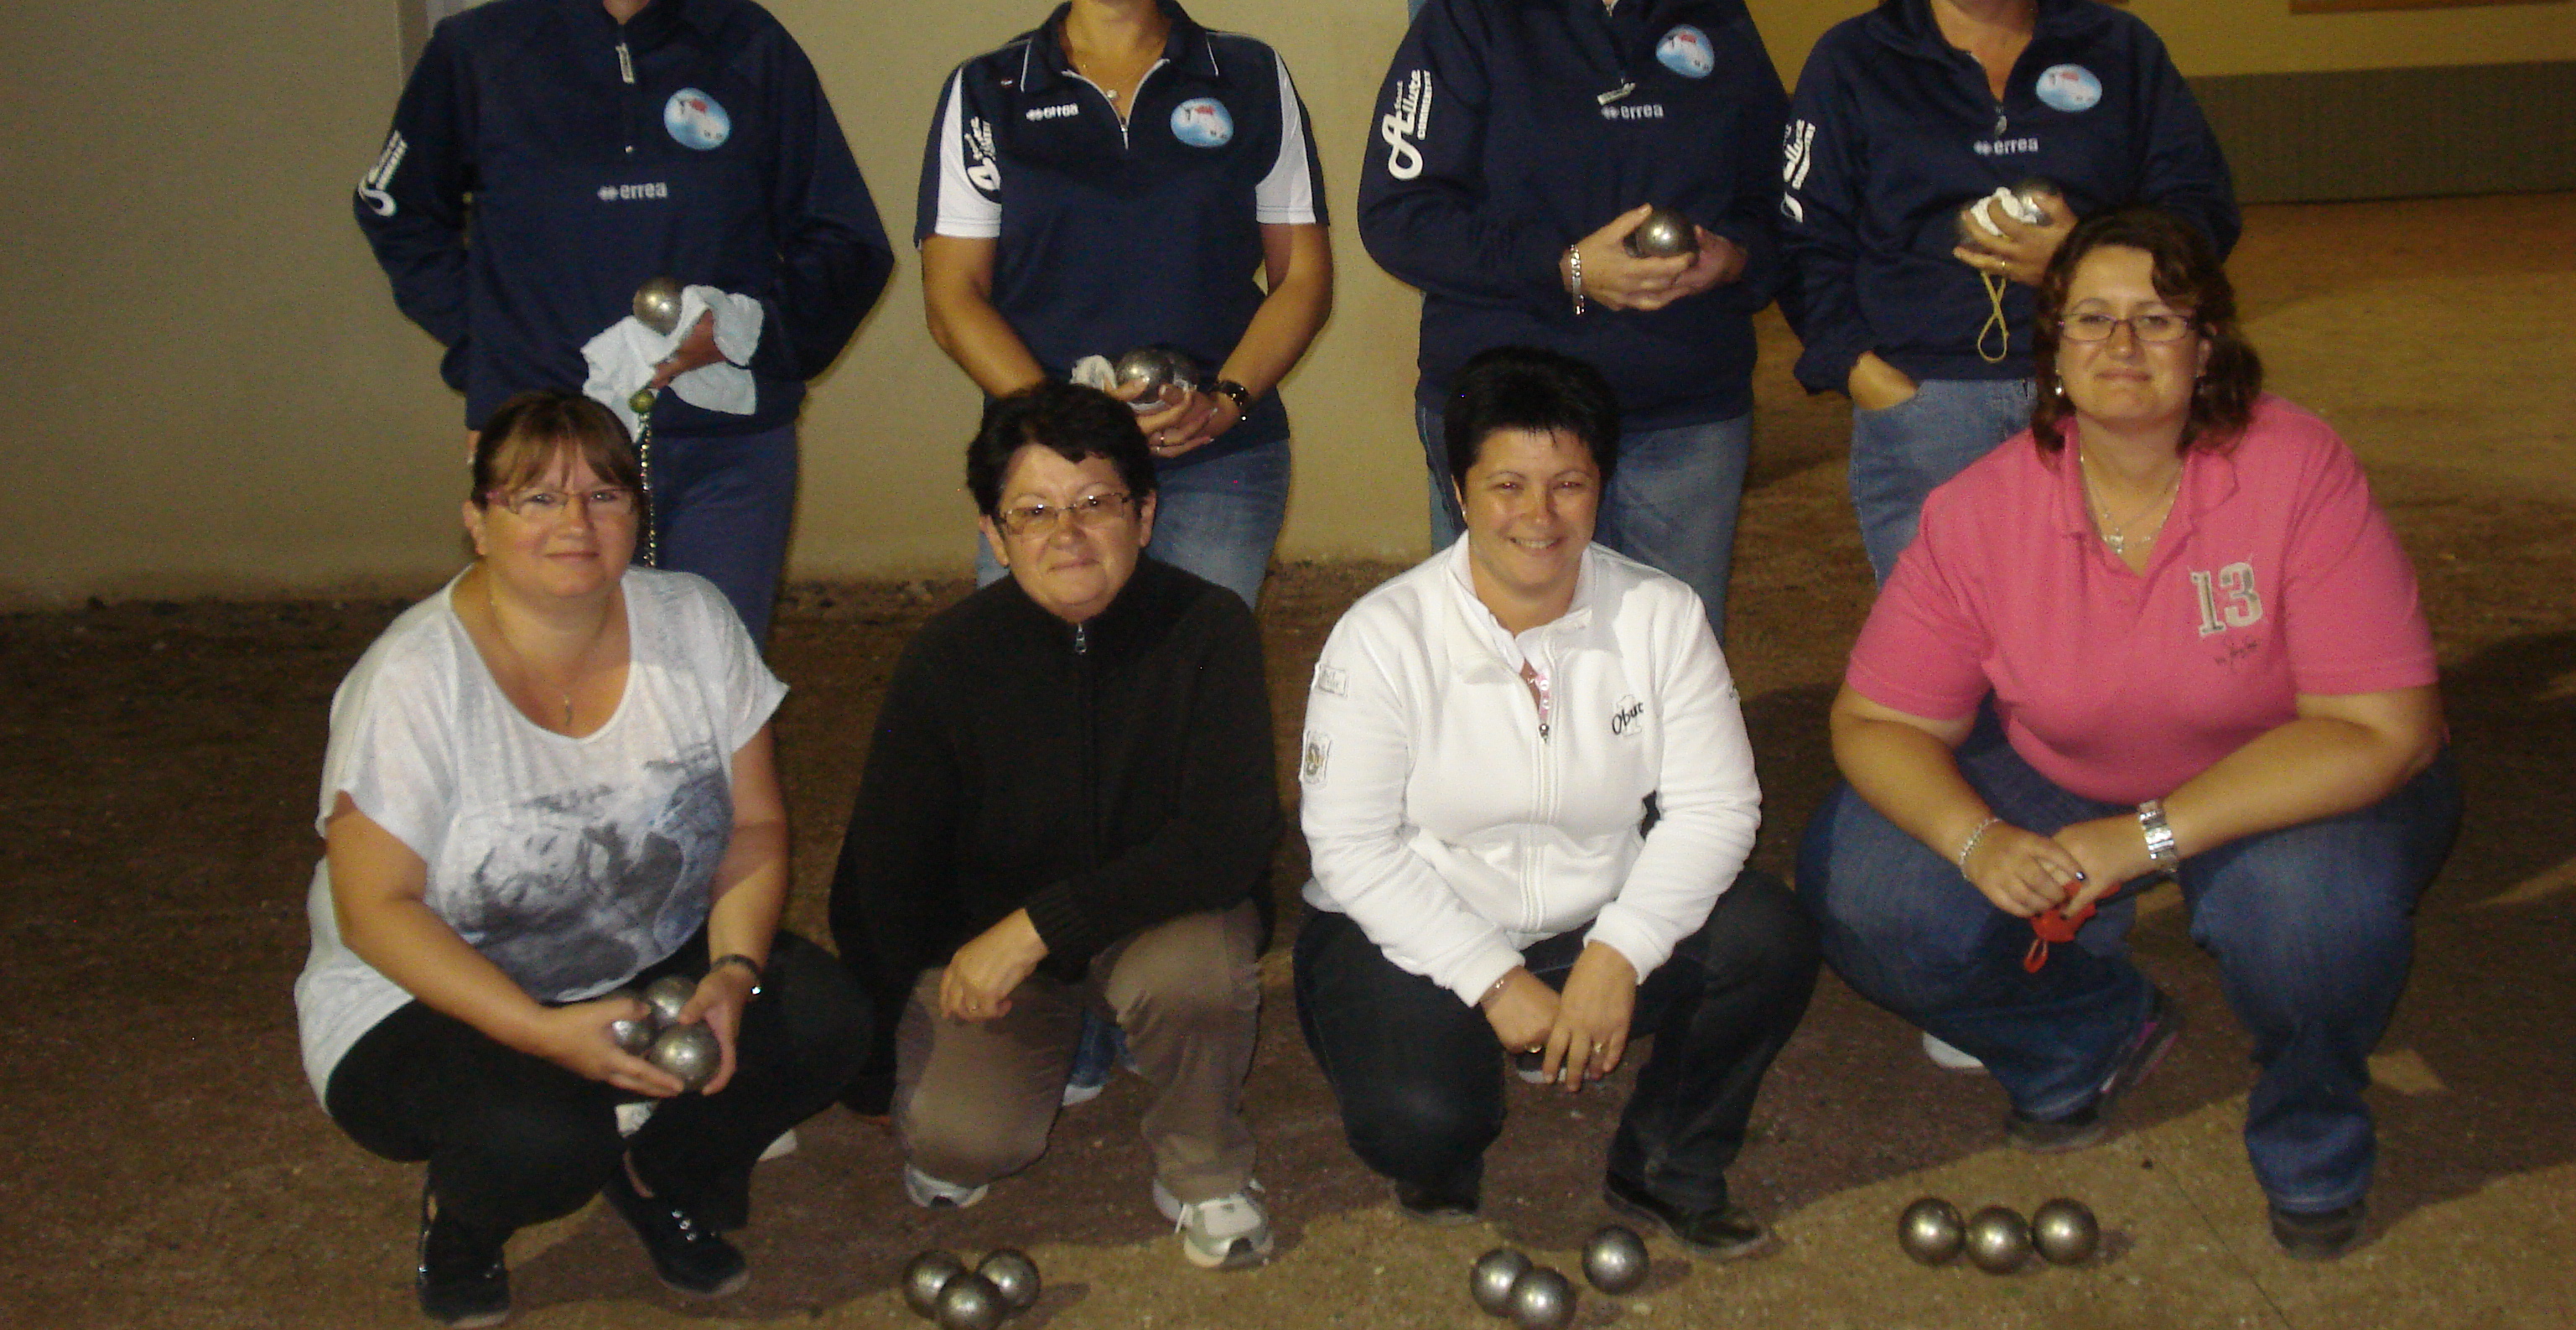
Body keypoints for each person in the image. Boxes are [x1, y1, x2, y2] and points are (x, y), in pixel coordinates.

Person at [1796, 210, 2457, 1261]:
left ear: (2208, 348)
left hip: (2285, 774)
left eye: (2158, 318)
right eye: (2092, 319)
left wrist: (2148, 837)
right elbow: (1876, 723)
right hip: (2064, 766)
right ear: (2052, 352)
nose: (2122, 345)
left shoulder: (2296, 467)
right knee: (1868, 888)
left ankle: (2313, 1129)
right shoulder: (1981, 510)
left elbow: (2388, 729)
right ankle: (2086, 1034)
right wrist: (1978, 839)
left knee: (2311, 915)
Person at [294, 392, 867, 1327]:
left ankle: (657, 1172)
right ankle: (464, 1225)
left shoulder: (693, 622)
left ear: (638, 517)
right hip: (425, 992)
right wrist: (539, 1032)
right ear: (477, 523)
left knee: (819, 1021)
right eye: (536, 500)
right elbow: (377, 911)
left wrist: (732, 969)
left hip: (641, 952)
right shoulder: (411, 680)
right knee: (545, 1139)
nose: (576, 524)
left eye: (605, 497)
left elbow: (756, 829)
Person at [1295, 347, 1819, 1253]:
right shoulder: (1381, 637)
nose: (1538, 516)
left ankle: (1666, 1160)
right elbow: (1351, 848)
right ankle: (1450, 1128)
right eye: (1506, 485)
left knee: (1768, 937)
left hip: (1590, 916)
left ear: (1600, 487)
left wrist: (1619, 954)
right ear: (1460, 493)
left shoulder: (1660, 615)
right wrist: (1493, 981)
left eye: (1568, 484)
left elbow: (1718, 810)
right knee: (1421, 1121)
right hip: (1418, 925)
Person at [356, 0, 892, 644]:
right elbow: (393, 210)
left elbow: (847, 240)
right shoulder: (479, 55)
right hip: (550, 455)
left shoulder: (750, 48)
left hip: (725, 452)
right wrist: (493, 350)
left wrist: (747, 333)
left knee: (707, 696)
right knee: (560, 693)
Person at [829, 382, 1283, 1270]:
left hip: (1155, 921)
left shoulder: (1208, 628)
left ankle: (1202, 1165)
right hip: (995, 947)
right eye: (1032, 512)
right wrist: (877, 1053)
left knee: (1198, 977)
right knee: (960, 1142)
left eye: (1095, 504)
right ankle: (1068, 1036)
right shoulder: (947, 659)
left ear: (1145, 516)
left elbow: (1227, 836)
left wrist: (1038, 929)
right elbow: (880, 870)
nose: (1066, 535)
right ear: (996, 536)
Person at [1358, 0, 1788, 642]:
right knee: (1508, 678)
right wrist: (1565, 269)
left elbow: (1782, 197)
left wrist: (1733, 260)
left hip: (1685, 414)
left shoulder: (1716, 13)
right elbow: (1399, 217)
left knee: (1666, 670)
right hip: (1515, 429)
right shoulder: (1469, 18)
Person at [1779, 0, 2239, 585]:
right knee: (1951, 670)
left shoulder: (2120, 51)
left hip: (2098, 394)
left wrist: (2087, 258)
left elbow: (2203, 211)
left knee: (2102, 645)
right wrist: (1866, 375)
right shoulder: (1850, 63)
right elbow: (1799, 236)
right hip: (1923, 410)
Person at [917, 0, 1332, 612]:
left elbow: (1303, 278)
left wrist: (1227, 404)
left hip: (1219, 460)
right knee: (1038, 701)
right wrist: (1069, 425)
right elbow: (951, 299)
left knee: (1186, 693)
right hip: (1049, 467)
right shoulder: (989, 90)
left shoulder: (1246, 75)